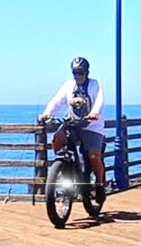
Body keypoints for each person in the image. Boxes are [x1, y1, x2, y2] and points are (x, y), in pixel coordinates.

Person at [37, 57, 108, 201]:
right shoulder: (68, 86)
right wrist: (47, 113)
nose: (78, 76)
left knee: (94, 156)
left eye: (80, 72)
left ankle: (100, 185)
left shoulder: (95, 85)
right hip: (72, 122)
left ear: (87, 72)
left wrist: (94, 113)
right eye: (75, 72)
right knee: (57, 140)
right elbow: (57, 101)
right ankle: (64, 166)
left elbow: (100, 100)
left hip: (92, 126)